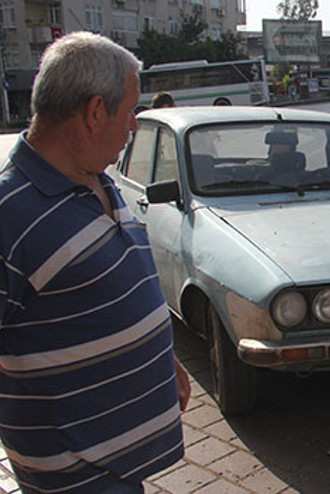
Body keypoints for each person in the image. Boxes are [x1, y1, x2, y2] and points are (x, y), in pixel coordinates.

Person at [0, 32, 189, 492]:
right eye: (130, 113)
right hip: (73, 478)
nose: (133, 128)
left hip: (117, 470)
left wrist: (164, 357)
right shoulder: (9, 212)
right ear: (95, 112)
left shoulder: (97, 179)